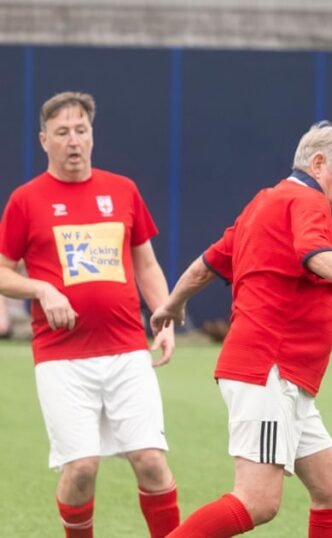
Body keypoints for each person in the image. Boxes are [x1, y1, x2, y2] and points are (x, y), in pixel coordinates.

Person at [150, 121, 332, 537]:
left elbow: (207, 264)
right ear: (320, 163)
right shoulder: (308, 201)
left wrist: (172, 304)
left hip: (282, 376)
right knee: (258, 501)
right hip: (269, 371)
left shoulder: (264, 202)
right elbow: (315, 253)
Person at [0, 91, 180, 537]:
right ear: (45, 140)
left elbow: (146, 263)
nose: (74, 141)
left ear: (92, 136)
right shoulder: (26, 200)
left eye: (81, 131)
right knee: (81, 469)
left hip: (126, 351)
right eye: (62, 133)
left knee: (152, 462)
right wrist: (42, 288)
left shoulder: (123, 190)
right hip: (61, 358)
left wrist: (164, 315)